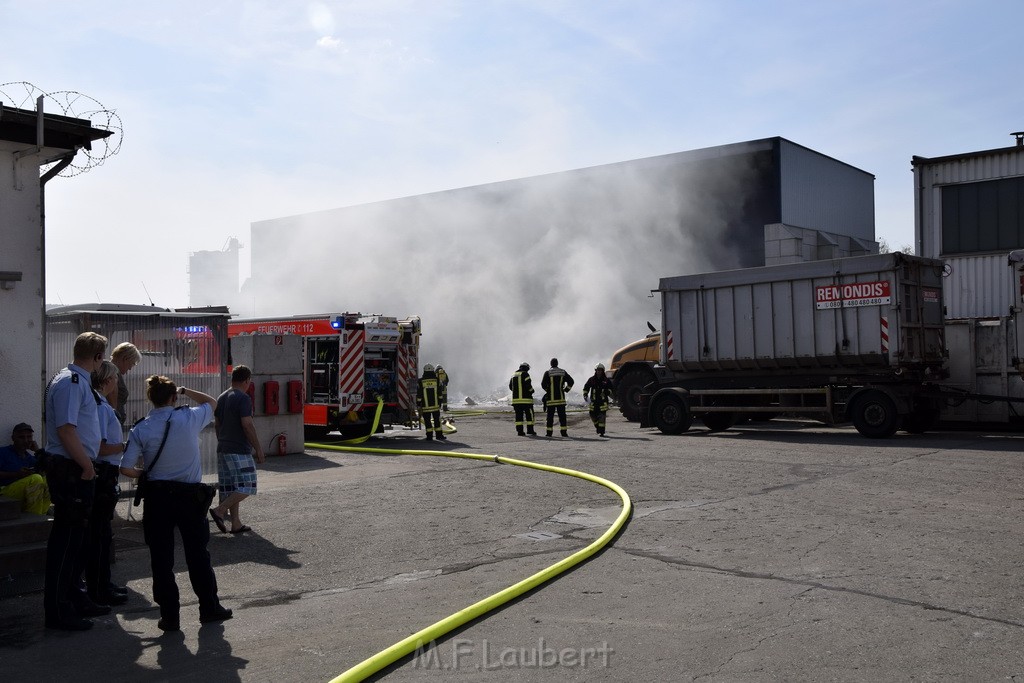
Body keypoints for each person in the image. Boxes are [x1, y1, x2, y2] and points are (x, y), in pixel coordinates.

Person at [120, 375, 232, 631]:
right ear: (173, 398)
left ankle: (170, 617)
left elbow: (126, 468)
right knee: (198, 555)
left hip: (158, 499)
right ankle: (209, 608)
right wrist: (184, 389)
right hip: (189, 497)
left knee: (161, 559)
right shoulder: (188, 418)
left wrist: (144, 474)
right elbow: (212, 402)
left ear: (151, 399)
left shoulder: (141, 428)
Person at [43, 331, 108, 631]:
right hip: (72, 469)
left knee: (78, 541)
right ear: (97, 357)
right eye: (102, 357)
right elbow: (66, 430)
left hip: (76, 467)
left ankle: (75, 597)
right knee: (67, 543)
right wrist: (86, 467)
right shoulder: (70, 382)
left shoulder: (76, 380)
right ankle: (58, 610)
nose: (102, 363)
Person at [83, 361, 129, 606]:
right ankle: (99, 587)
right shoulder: (100, 408)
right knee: (99, 535)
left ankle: (104, 583)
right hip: (103, 472)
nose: (117, 384)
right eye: (115, 379)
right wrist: (124, 446)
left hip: (106, 472)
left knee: (103, 533)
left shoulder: (102, 405)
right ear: (108, 380)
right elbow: (99, 446)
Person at [209, 366, 266, 535]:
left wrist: (222, 441)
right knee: (248, 485)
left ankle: (236, 523)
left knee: (233, 486)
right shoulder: (243, 398)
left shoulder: (222, 397)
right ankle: (220, 510)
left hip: (223, 448)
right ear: (247, 380)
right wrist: (259, 449)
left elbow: (217, 424)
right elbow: (247, 425)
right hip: (239, 449)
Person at [0, 423, 50, 515]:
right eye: (21, 437)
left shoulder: (30, 458)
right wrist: (16, 474)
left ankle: (41, 515)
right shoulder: (3, 452)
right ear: (13, 438)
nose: (26, 440)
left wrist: (38, 451)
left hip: (24, 496)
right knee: (35, 478)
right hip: (4, 493)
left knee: (48, 480)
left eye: (29, 437)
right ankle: (35, 518)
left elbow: (48, 469)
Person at [541, 358, 574, 438]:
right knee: (562, 417)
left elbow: (543, 384)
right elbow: (571, 381)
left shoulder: (548, 372)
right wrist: (566, 390)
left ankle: (549, 433)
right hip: (560, 400)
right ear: (557, 363)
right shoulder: (562, 372)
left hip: (551, 400)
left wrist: (548, 391)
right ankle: (564, 433)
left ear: (551, 364)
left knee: (550, 417)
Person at [110, 341, 141, 425]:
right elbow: (112, 401)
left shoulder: (114, 372)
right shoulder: (112, 373)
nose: (130, 368)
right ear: (125, 359)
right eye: (132, 363)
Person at [583, 363, 614, 437]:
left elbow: (611, 389)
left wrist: (607, 392)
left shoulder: (606, 380)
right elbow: (586, 387)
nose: (599, 371)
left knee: (602, 417)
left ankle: (602, 432)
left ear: (603, 371)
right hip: (593, 401)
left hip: (602, 402)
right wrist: (585, 394)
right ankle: (597, 426)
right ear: (595, 370)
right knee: (592, 415)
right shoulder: (591, 379)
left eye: (600, 370)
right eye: (598, 370)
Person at [417, 364, 446, 441]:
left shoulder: (420, 381)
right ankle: (439, 435)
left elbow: (419, 394)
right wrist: (440, 402)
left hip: (425, 406)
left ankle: (429, 436)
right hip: (435, 406)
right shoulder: (437, 380)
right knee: (437, 420)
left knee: (427, 421)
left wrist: (418, 403)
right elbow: (440, 393)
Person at [509, 363, 537, 436]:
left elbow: (510, 387)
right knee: (529, 416)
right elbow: (528, 385)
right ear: (526, 368)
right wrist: (532, 391)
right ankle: (530, 430)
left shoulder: (513, 375)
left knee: (519, 417)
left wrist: (517, 393)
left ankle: (520, 432)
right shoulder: (525, 374)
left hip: (516, 401)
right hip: (526, 401)